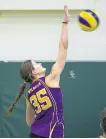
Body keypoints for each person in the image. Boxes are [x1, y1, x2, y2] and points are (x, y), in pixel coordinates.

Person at [8, 5, 70, 138]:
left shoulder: (29, 93)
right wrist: (65, 22)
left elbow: (30, 122)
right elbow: (63, 48)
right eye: (36, 64)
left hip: (35, 134)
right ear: (33, 72)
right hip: (52, 134)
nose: (40, 63)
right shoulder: (50, 79)